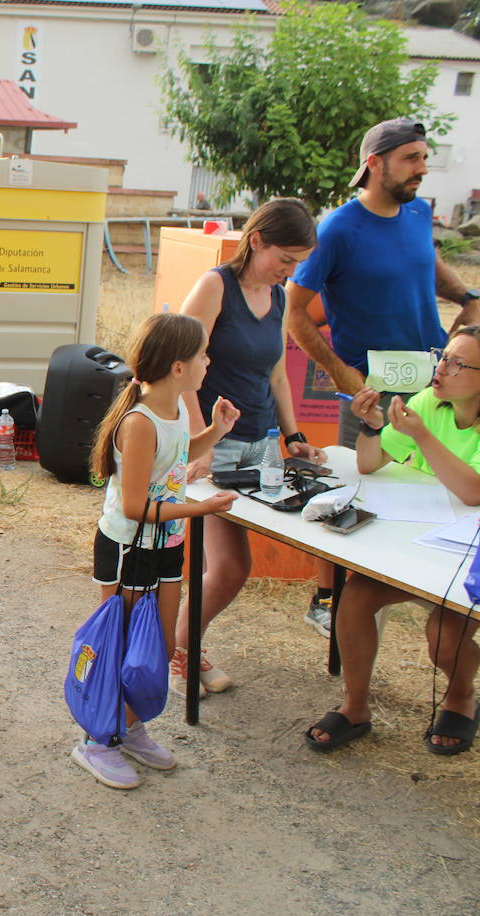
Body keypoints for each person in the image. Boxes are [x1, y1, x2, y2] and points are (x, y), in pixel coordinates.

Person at [287, 117, 480, 637]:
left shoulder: (418, 212)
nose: (422, 168)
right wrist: (342, 374)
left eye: (423, 156)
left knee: (431, 494)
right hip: (373, 389)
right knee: (356, 496)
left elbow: (427, 260)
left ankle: (420, 589)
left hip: (435, 380)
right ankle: (328, 599)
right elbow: (296, 312)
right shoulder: (338, 229)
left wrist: (465, 296)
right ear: (374, 164)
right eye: (411, 158)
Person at [71, 312, 240, 790]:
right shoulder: (139, 421)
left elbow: (177, 458)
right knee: (119, 647)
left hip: (165, 544)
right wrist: (200, 507)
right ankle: (97, 741)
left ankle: (130, 726)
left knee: (158, 648)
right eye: (203, 354)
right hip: (130, 546)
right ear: (179, 367)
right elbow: (135, 505)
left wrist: (218, 433)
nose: (210, 361)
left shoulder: (178, 408)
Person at [170, 199, 325, 698]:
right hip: (221, 443)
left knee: (237, 563)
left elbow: (276, 371)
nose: (290, 270)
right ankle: (180, 649)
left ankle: (179, 645)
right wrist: (203, 441)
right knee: (231, 567)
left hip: (262, 444)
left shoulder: (277, 294)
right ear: (256, 239)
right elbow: (181, 365)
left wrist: (294, 434)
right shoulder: (216, 286)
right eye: (286, 257)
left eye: (298, 262)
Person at [305, 326, 480, 755]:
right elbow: (368, 463)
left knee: (443, 630)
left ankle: (461, 698)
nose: (441, 368)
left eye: (458, 363)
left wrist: (421, 437)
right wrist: (370, 425)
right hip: (421, 542)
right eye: (444, 356)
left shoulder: (432, 418)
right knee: (356, 599)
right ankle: (356, 707)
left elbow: (474, 491)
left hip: (468, 559)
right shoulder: (429, 402)